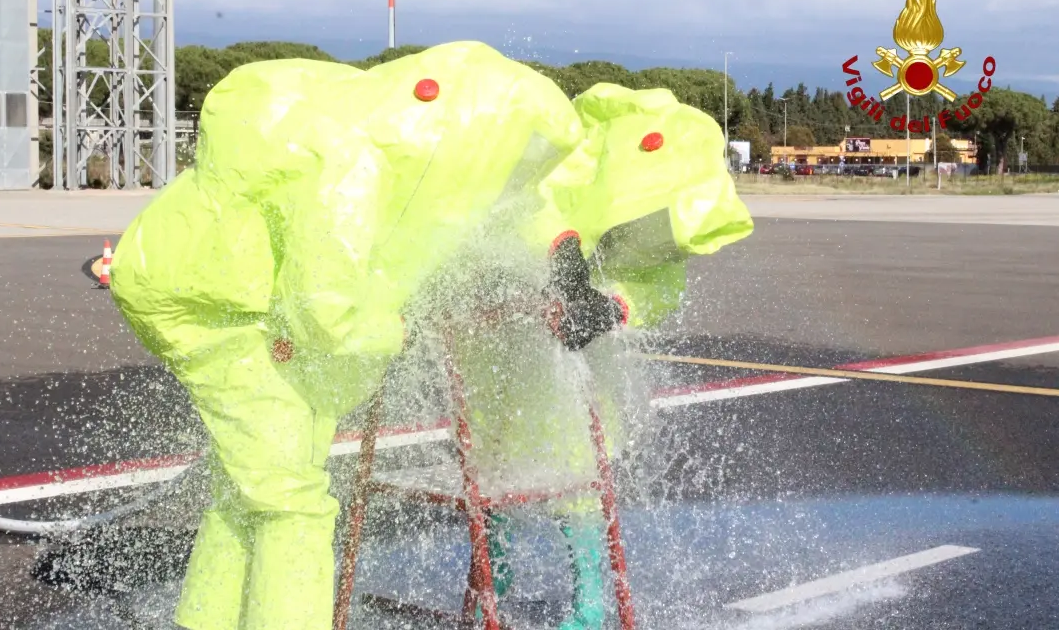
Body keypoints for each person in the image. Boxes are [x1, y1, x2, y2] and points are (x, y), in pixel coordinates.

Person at [108, 41, 609, 630]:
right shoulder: (357, 161)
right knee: (293, 504)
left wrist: (567, 264)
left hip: (233, 302)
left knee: (252, 487)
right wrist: (392, 329)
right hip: (223, 311)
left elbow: (520, 208)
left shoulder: (389, 139)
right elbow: (326, 311)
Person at [433, 82, 754, 629]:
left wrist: (609, 307)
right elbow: (515, 218)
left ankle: (590, 594)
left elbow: (658, 281)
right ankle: (497, 559)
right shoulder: (571, 162)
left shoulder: (649, 193)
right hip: (501, 337)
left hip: (567, 354)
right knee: (487, 452)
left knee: (574, 466)